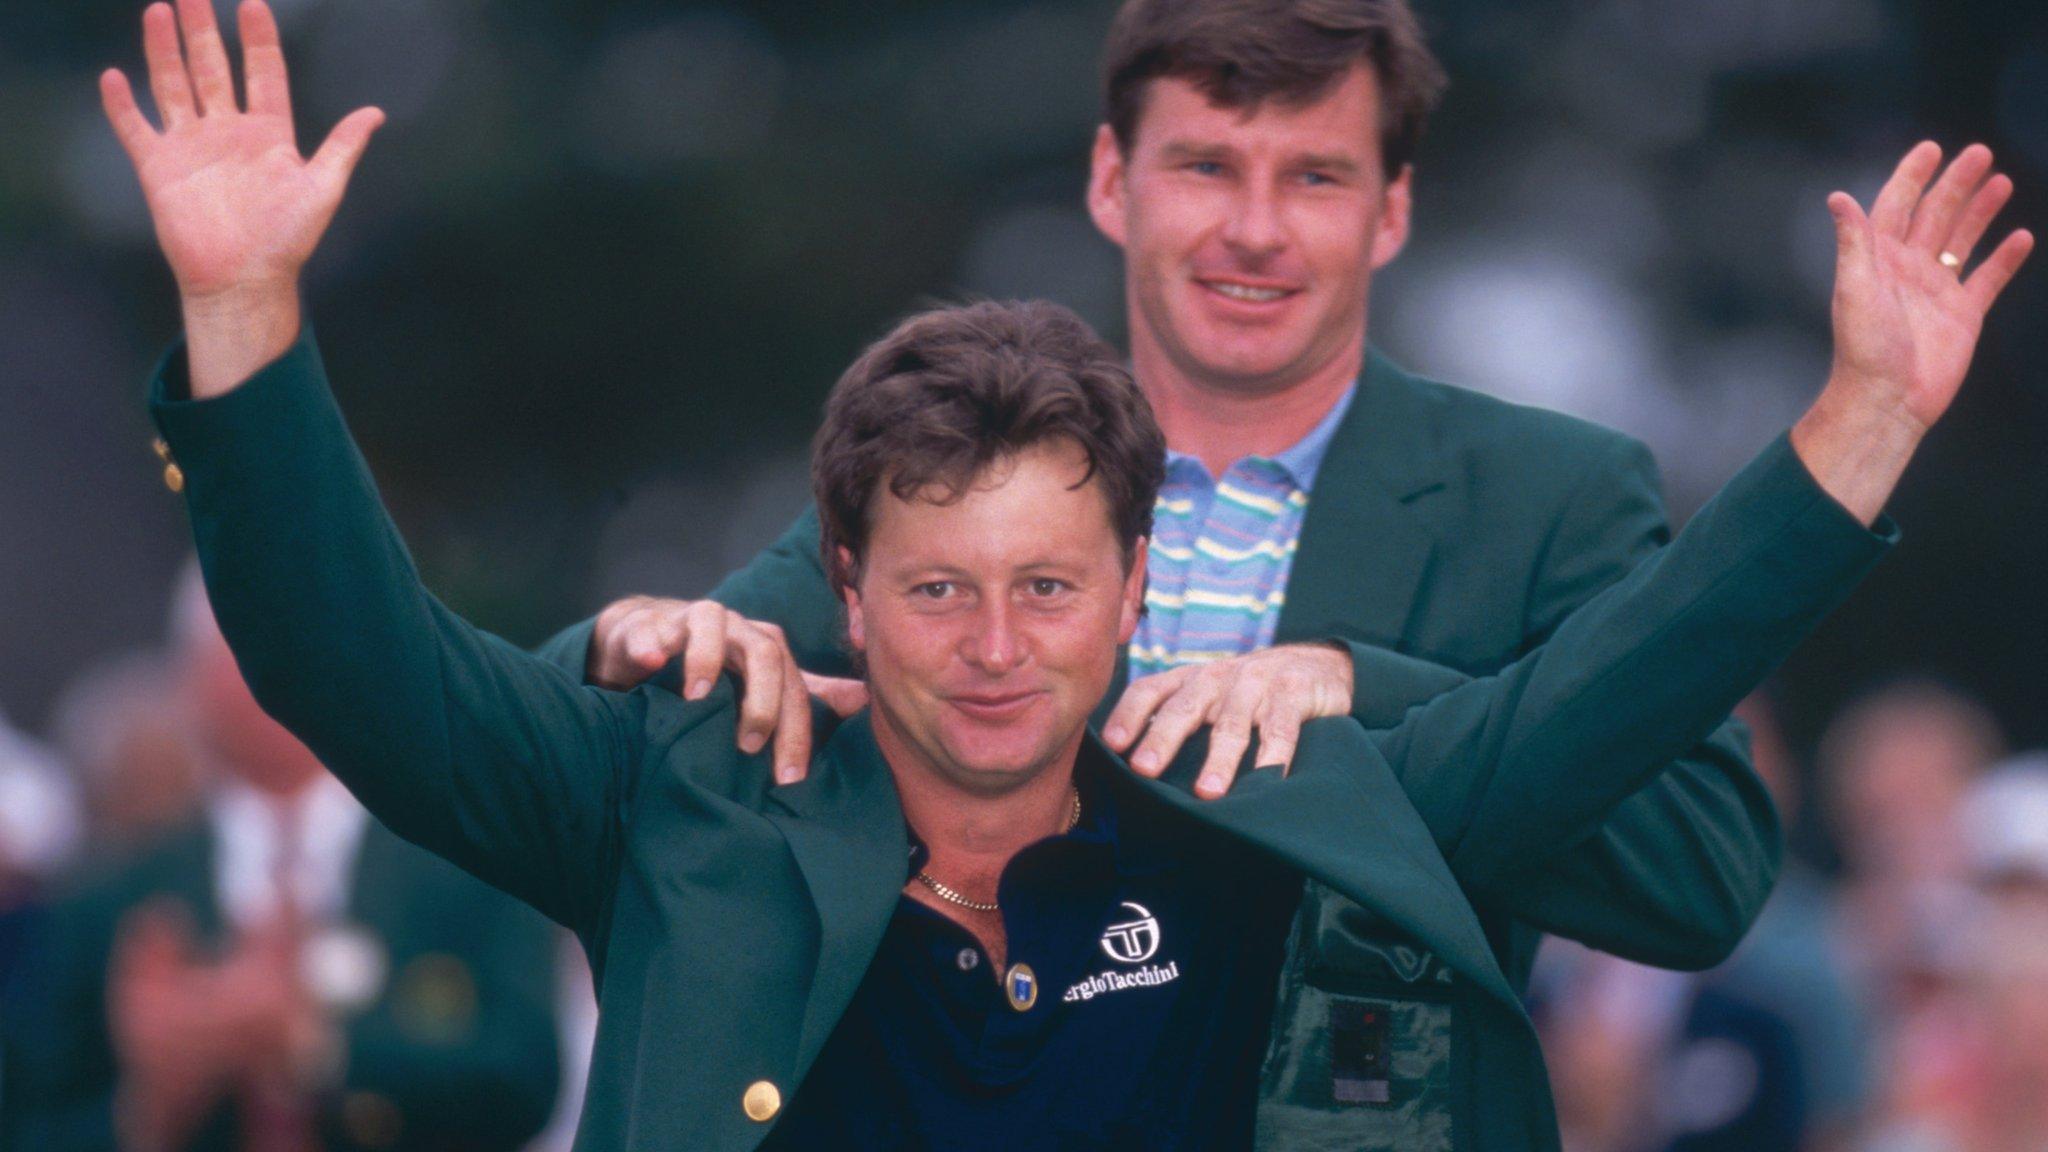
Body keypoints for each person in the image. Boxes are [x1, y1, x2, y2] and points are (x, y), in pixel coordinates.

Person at [97, 3, 2025, 1149]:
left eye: (1048, 588)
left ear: (1141, 590)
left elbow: (1616, 705)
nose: (995, 641)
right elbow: (385, 684)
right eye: (938, 590)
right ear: (846, 587)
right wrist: (253, 324)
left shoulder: (1288, 809)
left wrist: (1854, 423)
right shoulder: (710, 769)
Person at [1, 567, 562, 1152]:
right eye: (244, 644)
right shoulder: (111, 897)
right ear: (191, 677)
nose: (282, 668)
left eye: (308, 637)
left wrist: (314, 1046)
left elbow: (525, 1080)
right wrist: (150, 1108)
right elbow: (31, 1122)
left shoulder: (462, 862)